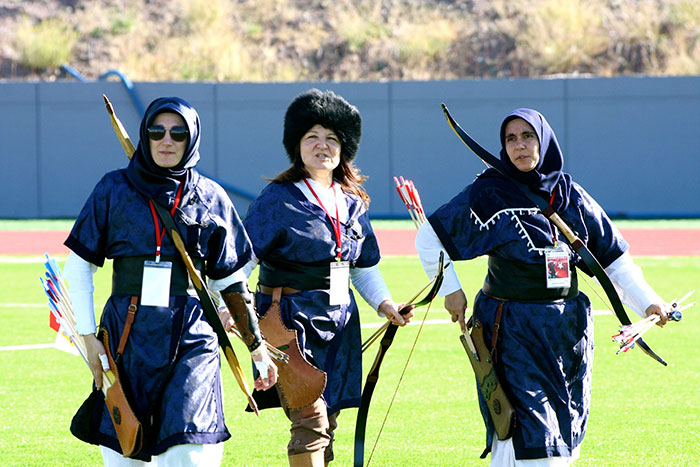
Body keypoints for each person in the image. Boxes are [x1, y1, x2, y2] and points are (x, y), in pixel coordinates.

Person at [416, 108, 672, 466]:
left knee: (563, 436)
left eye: (528, 136)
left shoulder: (570, 194)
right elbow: (430, 237)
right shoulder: (490, 193)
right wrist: (451, 290)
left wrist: (648, 302)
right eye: (511, 139)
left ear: (544, 140)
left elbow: (613, 258)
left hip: (569, 335)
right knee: (527, 434)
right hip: (513, 332)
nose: (520, 146)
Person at [63, 96, 277, 466]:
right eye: (156, 131)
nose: (166, 140)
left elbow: (231, 283)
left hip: (192, 337)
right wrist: (87, 335)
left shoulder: (211, 197)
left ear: (191, 139)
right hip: (126, 335)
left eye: (178, 133)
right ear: (145, 135)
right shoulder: (113, 189)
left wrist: (256, 347)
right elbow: (79, 266)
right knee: (125, 453)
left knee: (190, 454)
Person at [242, 88, 413, 466]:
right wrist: (236, 314)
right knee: (311, 418)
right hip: (288, 322)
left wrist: (387, 305)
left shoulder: (352, 202)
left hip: (338, 323)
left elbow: (363, 266)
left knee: (327, 420)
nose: (322, 146)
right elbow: (241, 262)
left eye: (331, 138)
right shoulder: (278, 199)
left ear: (344, 148)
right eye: (312, 137)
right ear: (297, 145)